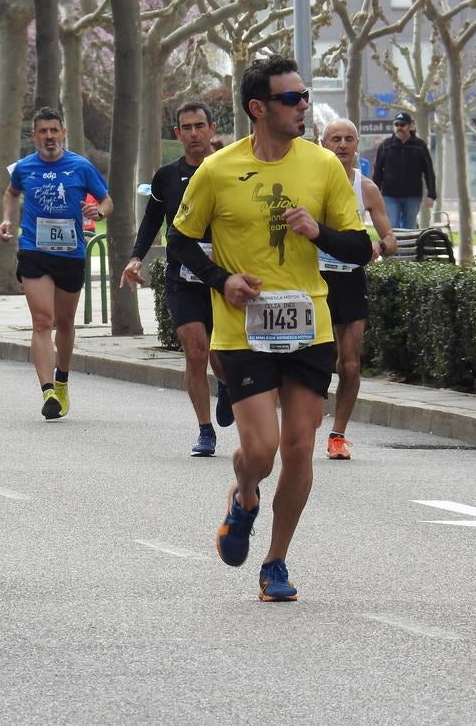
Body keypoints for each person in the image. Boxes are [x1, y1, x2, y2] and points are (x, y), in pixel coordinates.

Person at [166, 55, 371, 602]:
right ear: (259, 107)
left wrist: (318, 230)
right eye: (292, 99)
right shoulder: (217, 169)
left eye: (304, 97)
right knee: (261, 449)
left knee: (299, 448)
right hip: (243, 331)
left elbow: (360, 248)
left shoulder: (324, 167)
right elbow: (181, 239)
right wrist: (221, 279)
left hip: (309, 325)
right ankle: (245, 494)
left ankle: (276, 561)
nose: (304, 106)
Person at [119, 102, 233, 457]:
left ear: (212, 128)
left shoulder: (230, 170)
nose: (194, 133)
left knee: (221, 355)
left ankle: (227, 386)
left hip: (222, 275)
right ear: (177, 134)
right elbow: (152, 221)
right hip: (182, 276)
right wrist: (136, 258)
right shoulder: (167, 176)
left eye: (200, 125)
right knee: (195, 351)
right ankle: (205, 430)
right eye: (187, 127)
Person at [0, 107, 113, 420]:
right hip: (34, 249)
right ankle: (47, 390)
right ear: (34, 136)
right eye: (42, 132)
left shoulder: (80, 166)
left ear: (63, 133)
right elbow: (11, 193)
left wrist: (98, 213)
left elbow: (107, 201)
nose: (49, 137)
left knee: (64, 322)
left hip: (70, 252)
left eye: (54, 131)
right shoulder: (24, 167)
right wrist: (7, 219)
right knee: (42, 320)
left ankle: (62, 379)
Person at [319, 119, 397, 460]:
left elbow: (390, 238)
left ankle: (338, 436)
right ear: (322, 144)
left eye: (349, 139)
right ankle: (303, 423)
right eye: (335, 138)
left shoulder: (365, 187)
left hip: (350, 278)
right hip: (314, 278)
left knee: (349, 365)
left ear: (357, 146)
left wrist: (380, 246)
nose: (342, 144)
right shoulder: (309, 183)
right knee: (316, 362)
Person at [372, 111, 436, 229]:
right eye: (396, 125)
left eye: (402, 125)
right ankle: (395, 248)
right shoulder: (385, 145)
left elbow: (428, 171)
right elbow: (377, 172)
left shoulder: (420, 146)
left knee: (409, 228)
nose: (399, 128)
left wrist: (431, 194)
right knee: (393, 227)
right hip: (389, 196)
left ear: (410, 126)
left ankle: (408, 248)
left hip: (413, 195)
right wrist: (374, 194)